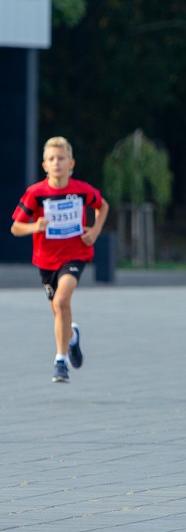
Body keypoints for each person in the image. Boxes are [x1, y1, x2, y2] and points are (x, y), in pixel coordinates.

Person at [10, 136, 109, 383]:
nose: (56, 163)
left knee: (62, 299)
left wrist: (95, 231)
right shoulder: (36, 193)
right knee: (58, 310)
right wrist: (35, 227)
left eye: (61, 158)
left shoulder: (81, 190)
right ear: (44, 165)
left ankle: (60, 361)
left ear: (71, 163)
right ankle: (72, 338)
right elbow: (15, 227)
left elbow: (103, 206)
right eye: (51, 159)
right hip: (46, 260)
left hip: (75, 254)